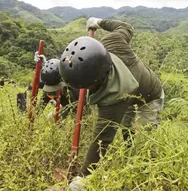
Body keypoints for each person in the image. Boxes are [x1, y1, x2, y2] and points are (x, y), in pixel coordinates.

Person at [58, 17, 165, 185]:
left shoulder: (111, 100)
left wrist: (83, 178)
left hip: (150, 96)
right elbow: (124, 26)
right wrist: (99, 23)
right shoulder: (110, 42)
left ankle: (146, 175)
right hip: (130, 98)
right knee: (127, 129)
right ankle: (129, 154)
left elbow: (101, 140)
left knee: (145, 139)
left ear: (98, 79)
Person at [34, 54, 81, 119]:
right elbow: (40, 107)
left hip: (78, 103)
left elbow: (74, 108)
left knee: (83, 121)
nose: (52, 91)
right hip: (64, 104)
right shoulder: (48, 81)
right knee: (51, 118)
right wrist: (31, 119)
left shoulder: (73, 84)